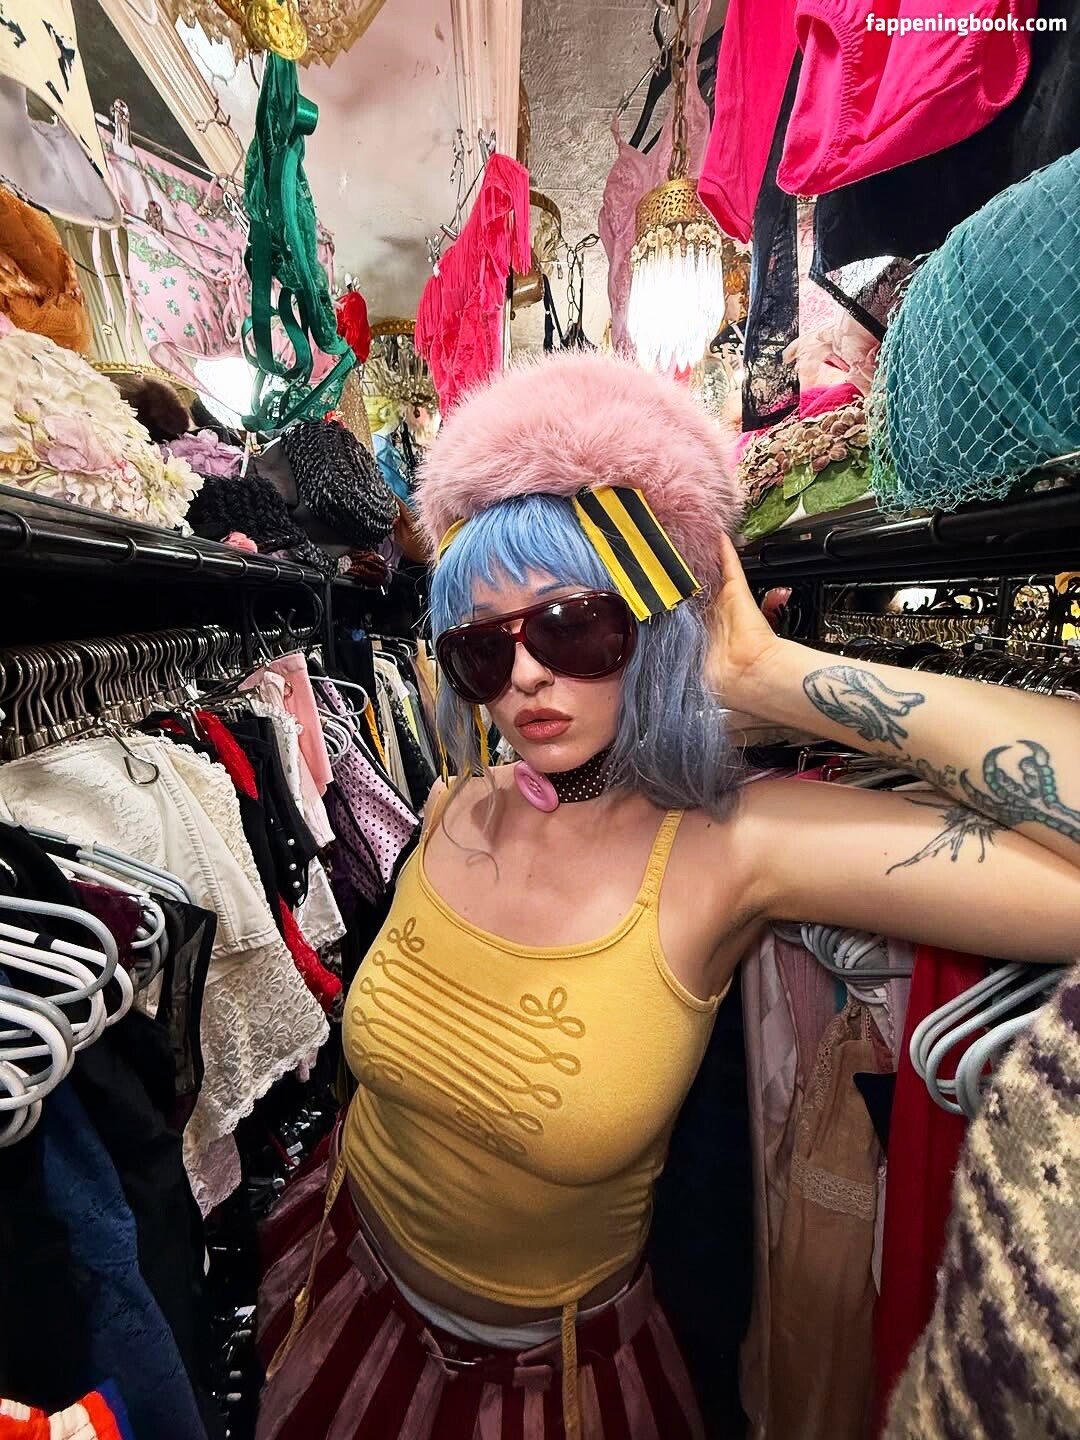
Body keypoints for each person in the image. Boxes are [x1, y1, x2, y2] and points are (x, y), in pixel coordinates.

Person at [254, 351, 1079, 1440]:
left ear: (652, 625)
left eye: (571, 625)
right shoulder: (455, 802)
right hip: (344, 1270)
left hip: (548, 1381)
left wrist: (773, 675)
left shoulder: (728, 849)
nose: (528, 677)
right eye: (482, 651)